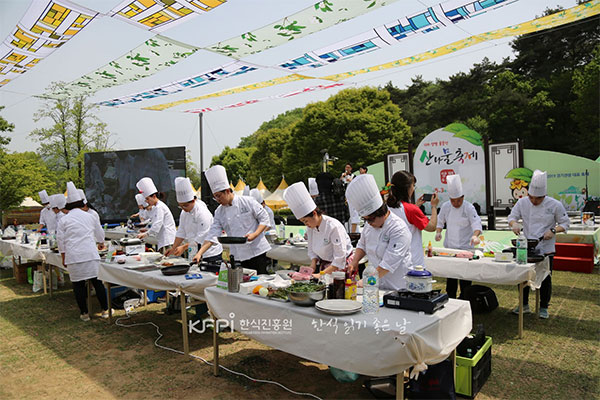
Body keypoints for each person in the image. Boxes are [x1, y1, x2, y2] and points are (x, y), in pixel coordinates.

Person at [508, 170, 569, 319]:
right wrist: (514, 224)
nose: (534, 201)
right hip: (526, 245)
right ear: (528, 194)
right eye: (532, 197)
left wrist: (553, 230)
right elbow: (512, 217)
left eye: (538, 198)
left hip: (546, 246)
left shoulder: (555, 204)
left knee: (545, 277)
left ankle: (543, 307)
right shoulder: (522, 202)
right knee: (523, 276)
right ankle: (524, 305)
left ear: (544, 195)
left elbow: (565, 223)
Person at [193, 165, 272, 274]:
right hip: (238, 254)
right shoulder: (219, 212)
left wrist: (255, 234)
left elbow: (264, 219)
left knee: (259, 285)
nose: (217, 199)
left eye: (219, 196)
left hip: (257, 251)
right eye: (215, 197)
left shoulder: (248, 201)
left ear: (227, 191)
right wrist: (199, 253)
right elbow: (212, 235)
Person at [346, 174, 412, 290]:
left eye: (370, 219)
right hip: (377, 284)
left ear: (381, 212)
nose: (369, 223)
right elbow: (362, 244)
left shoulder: (398, 229)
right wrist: (354, 262)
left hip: (398, 286)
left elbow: (387, 265)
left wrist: (365, 281)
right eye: (365, 220)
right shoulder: (369, 224)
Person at [57, 182, 109, 321]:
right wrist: (101, 243)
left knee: (78, 286)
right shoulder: (90, 216)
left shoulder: (64, 220)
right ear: (81, 203)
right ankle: (105, 310)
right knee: (97, 283)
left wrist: (63, 257)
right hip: (90, 254)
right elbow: (100, 234)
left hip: (73, 256)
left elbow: (60, 242)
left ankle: (84, 313)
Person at [284, 182, 353, 275]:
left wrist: (320, 275)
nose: (306, 224)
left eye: (305, 221)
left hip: (342, 266)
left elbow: (340, 257)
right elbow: (311, 249)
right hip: (326, 266)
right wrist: (313, 265)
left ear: (314, 213)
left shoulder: (333, 226)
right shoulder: (311, 227)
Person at [435, 174, 482, 299]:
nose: (456, 203)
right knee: (451, 277)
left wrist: (475, 236)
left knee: (465, 277)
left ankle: (465, 299)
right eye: (453, 200)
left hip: (465, 248)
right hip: (450, 248)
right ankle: (450, 298)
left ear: (463, 197)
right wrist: (438, 232)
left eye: (458, 200)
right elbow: (440, 221)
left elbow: (476, 223)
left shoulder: (468, 207)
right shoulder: (446, 206)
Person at [387, 171, 439, 268]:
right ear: (407, 188)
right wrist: (434, 207)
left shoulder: (386, 207)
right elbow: (431, 227)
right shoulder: (411, 209)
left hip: (392, 261)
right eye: (413, 185)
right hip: (413, 262)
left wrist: (416, 206)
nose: (413, 188)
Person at [165, 177, 223, 263]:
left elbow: (201, 238)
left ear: (194, 200)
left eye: (185, 205)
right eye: (180, 206)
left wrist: (183, 247)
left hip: (210, 254)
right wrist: (173, 249)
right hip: (193, 250)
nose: (183, 209)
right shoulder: (184, 212)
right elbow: (181, 232)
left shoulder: (203, 214)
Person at [136, 177, 176, 254]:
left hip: (167, 240)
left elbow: (158, 224)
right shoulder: (157, 207)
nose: (147, 202)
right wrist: (147, 230)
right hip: (163, 239)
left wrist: (146, 234)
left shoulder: (160, 207)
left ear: (154, 196)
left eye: (147, 199)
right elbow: (153, 222)